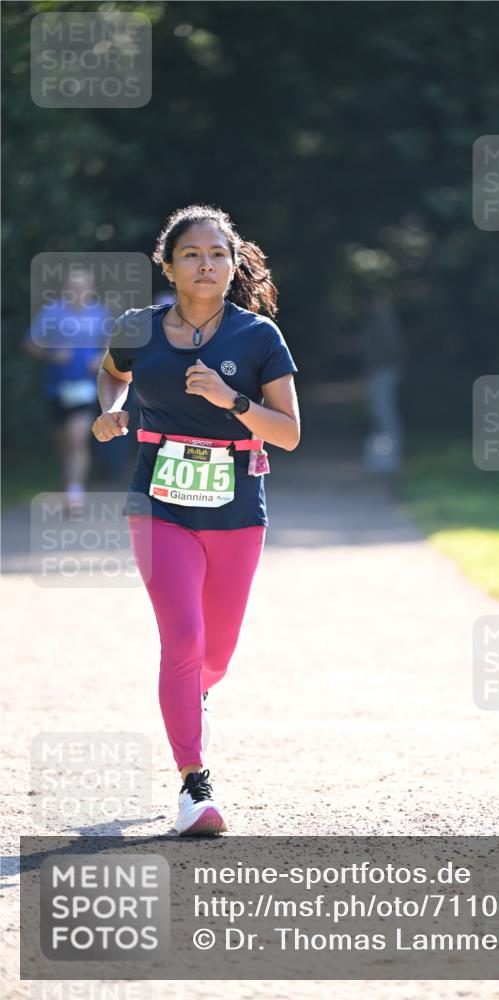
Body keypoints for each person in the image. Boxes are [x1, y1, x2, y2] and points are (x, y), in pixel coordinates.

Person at [91, 204, 300, 836]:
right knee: (182, 638)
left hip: (237, 506)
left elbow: (288, 434)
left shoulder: (258, 336)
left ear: (234, 265)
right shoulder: (138, 327)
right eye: (191, 254)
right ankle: (194, 785)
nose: (205, 264)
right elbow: (111, 375)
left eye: (217, 254)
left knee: (217, 652)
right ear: (169, 263)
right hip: (158, 501)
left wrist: (231, 400)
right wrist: (113, 409)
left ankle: (197, 696)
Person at [23, 267, 111, 514]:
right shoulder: (52, 313)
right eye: (73, 286)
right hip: (56, 387)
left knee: (77, 438)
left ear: (90, 289)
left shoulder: (99, 314)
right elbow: (30, 344)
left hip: (85, 386)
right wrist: (52, 353)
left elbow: (111, 343)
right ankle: (69, 486)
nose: (78, 291)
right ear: (65, 289)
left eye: (82, 286)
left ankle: (74, 494)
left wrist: (100, 359)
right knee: (64, 444)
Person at [357, 289, 405, 474]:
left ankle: (391, 457)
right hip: (380, 371)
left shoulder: (381, 319)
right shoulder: (379, 318)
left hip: (383, 371)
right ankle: (387, 456)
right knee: (380, 412)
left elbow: (387, 347)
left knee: (384, 413)